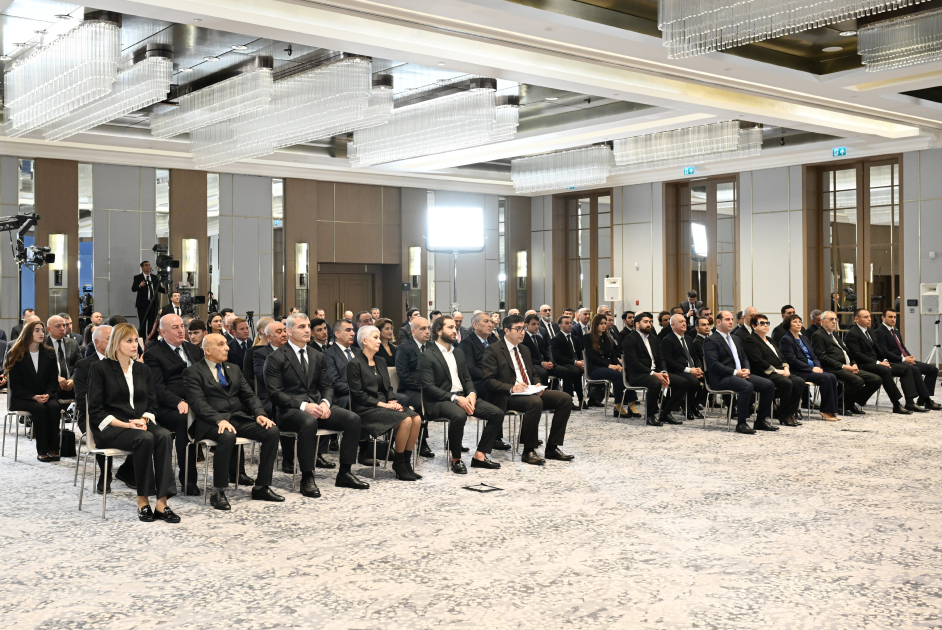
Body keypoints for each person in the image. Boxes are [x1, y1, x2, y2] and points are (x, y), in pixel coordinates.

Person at [264, 312, 369, 497]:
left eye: (307, 326)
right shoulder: (276, 357)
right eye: (301, 327)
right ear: (289, 331)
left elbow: (327, 386)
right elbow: (275, 394)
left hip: (318, 406)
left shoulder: (317, 355)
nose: (307, 330)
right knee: (308, 422)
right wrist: (304, 406)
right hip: (290, 411)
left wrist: (325, 402)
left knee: (352, 419)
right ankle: (307, 477)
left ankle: (345, 473)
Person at [86, 323, 179, 522]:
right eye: (128, 341)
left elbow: (152, 403)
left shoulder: (142, 369)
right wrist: (127, 424)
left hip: (139, 424)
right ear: (116, 343)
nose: (135, 345)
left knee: (164, 435)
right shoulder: (100, 368)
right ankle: (142, 500)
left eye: (136, 340)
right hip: (112, 427)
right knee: (145, 438)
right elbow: (95, 409)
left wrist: (143, 419)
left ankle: (162, 503)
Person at [184, 334, 284, 510]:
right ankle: (218, 492)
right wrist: (218, 420)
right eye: (221, 344)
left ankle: (261, 486)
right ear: (207, 350)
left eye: (226, 344)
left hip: (237, 418)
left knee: (271, 431)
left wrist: (259, 414)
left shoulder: (234, 368)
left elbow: (249, 396)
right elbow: (198, 403)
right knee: (227, 435)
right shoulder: (192, 372)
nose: (227, 347)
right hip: (209, 422)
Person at [418, 316, 507, 473]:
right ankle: (456, 459)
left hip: (462, 396)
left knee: (497, 413)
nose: (455, 330)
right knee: (459, 415)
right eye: (450, 327)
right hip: (439, 400)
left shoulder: (458, 353)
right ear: (439, 331)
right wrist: (455, 398)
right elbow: (429, 387)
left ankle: (479, 456)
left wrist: (472, 393)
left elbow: (467, 378)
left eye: (455, 327)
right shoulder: (428, 355)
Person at [483, 314, 573, 465]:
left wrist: (537, 384)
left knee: (565, 399)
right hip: (508, 395)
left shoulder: (524, 349)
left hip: (529, 391)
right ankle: (528, 450)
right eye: (518, 329)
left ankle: (552, 447)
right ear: (506, 330)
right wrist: (512, 388)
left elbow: (533, 373)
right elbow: (488, 381)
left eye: (523, 329)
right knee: (535, 402)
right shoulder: (493, 350)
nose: (522, 332)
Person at [348, 325, 423, 480]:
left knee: (416, 418)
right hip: (366, 409)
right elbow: (358, 395)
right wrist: (383, 404)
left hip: (384, 405)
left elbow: (388, 388)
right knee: (406, 420)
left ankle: (406, 462)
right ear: (364, 341)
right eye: (375, 338)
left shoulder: (380, 361)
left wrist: (392, 401)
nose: (379, 341)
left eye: (378, 338)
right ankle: (399, 463)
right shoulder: (354, 364)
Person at [142, 314, 206, 496]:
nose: (181, 330)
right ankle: (188, 479)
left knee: (225, 412)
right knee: (185, 420)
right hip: (168, 407)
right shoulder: (154, 354)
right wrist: (178, 401)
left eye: (181, 326)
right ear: (163, 332)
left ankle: (232, 473)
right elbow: (157, 388)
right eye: (175, 327)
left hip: (196, 402)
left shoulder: (194, 350)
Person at [74, 325, 137, 493]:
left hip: (124, 414)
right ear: (97, 342)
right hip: (93, 415)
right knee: (102, 426)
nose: (114, 342)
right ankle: (105, 473)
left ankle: (127, 469)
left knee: (147, 428)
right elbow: (82, 400)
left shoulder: (128, 364)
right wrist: (107, 417)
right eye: (110, 339)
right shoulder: (84, 365)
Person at [702, 311, 778, 435]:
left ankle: (761, 420)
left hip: (740, 374)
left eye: (732, 319)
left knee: (768, 385)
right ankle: (741, 423)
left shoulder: (735, 338)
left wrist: (746, 369)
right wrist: (735, 372)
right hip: (721, 378)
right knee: (746, 386)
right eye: (727, 319)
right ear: (718, 322)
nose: (731, 322)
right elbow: (714, 364)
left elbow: (744, 358)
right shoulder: (711, 340)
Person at [845, 309, 927, 413]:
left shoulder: (870, 331)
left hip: (877, 362)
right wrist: (878, 363)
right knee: (885, 370)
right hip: (863, 364)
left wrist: (884, 360)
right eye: (866, 317)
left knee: (906, 369)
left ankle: (910, 402)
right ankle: (896, 404)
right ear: (857, 319)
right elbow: (857, 355)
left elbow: (878, 350)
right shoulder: (852, 334)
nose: (869, 319)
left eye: (869, 316)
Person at [4, 320, 62, 461]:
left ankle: (53, 449)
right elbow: (15, 387)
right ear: (28, 333)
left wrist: (48, 394)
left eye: (42, 330)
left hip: (45, 395)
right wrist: (33, 396)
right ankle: (42, 451)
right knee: (39, 409)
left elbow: (53, 381)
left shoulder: (49, 353)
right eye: (37, 330)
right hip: (23, 397)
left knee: (54, 406)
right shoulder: (16, 354)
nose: (41, 333)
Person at [811, 311, 886, 415]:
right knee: (858, 381)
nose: (834, 322)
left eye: (836, 319)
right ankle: (840, 404)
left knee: (876, 379)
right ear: (822, 321)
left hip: (847, 366)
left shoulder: (834, 333)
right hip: (832, 368)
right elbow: (822, 357)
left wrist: (853, 363)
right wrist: (844, 366)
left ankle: (849, 403)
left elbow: (846, 351)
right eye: (831, 319)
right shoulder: (818, 335)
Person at [623, 312, 688, 426]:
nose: (649, 324)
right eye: (646, 322)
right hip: (638, 374)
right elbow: (634, 363)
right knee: (655, 383)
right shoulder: (629, 339)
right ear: (637, 324)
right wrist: (653, 373)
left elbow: (661, 358)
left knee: (683, 382)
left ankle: (666, 413)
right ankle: (650, 415)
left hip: (655, 372)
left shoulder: (653, 338)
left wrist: (663, 372)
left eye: (651, 322)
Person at [742, 314, 805, 426]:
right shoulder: (750, 340)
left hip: (780, 371)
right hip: (764, 373)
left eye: (767, 323)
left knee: (799, 381)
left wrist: (786, 367)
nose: (766, 325)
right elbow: (758, 361)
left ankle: (791, 412)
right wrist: (776, 371)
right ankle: (784, 414)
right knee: (786, 383)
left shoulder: (770, 340)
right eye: (762, 323)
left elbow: (781, 357)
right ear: (754, 326)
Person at [779, 313, 840, 421]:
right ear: (788, 324)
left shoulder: (804, 338)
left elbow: (813, 356)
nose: (798, 324)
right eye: (795, 322)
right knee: (826, 378)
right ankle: (825, 410)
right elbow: (792, 360)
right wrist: (811, 369)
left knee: (832, 376)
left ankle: (832, 410)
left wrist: (818, 366)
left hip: (812, 369)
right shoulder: (786, 339)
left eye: (800, 321)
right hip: (798, 371)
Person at [874, 310, 941, 410]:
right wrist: (904, 359)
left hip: (903, 359)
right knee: (914, 370)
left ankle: (922, 400)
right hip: (892, 361)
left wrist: (909, 357)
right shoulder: (879, 332)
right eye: (890, 317)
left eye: (894, 317)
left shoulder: (895, 331)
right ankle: (926, 400)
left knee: (933, 370)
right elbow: (884, 353)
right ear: (883, 318)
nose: (893, 319)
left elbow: (902, 348)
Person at [395, 316, 438, 458]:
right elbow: (403, 375)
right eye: (423, 329)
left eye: (428, 328)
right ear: (413, 331)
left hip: (431, 388)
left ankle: (454, 442)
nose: (427, 331)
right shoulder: (404, 348)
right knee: (422, 402)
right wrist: (424, 387)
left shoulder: (432, 347)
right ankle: (422, 442)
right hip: (410, 389)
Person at [584, 313, 631, 417]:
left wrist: (618, 365)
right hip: (594, 369)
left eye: (605, 323)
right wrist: (609, 365)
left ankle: (631, 404)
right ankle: (618, 406)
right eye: (601, 323)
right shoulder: (588, 337)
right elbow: (592, 357)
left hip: (606, 367)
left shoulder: (607, 338)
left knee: (626, 372)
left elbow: (613, 355)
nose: (604, 326)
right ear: (595, 324)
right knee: (618, 376)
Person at [659, 314, 705, 421]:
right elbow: (669, 362)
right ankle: (687, 407)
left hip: (692, 370)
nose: (684, 323)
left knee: (710, 379)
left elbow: (695, 356)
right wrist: (690, 370)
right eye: (681, 322)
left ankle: (693, 404)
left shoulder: (688, 338)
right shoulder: (667, 340)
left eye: (684, 321)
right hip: (677, 371)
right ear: (673, 325)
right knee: (694, 382)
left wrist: (699, 368)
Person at [550, 314, 586, 409]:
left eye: (570, 323)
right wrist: (575, 362)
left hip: (576, 362)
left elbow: (580, 353)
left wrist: (582, 362)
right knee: (575, 372)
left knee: (586, 368)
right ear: (560, 326)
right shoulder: (556, 339)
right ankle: (573, 399)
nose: (570, 325)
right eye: (566, 323)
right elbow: (558, 358)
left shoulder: (575, 338)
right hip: (564, 363)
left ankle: (589, 398)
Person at [324, 319, 359, 410]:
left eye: (353, 330)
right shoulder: (328, 354)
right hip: (343, 396)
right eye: (348, 330)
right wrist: (358, 390)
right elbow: (334, 382)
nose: (353, 333)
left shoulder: (359, 352)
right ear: (337, 334)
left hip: (363, 393)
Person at [132, 261, 163, 338]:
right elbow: (133, 288)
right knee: (142, 323)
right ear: (142, 267)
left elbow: (159, 288)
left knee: (152, 324)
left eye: (149, 265)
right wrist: (140, 285)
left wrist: (167, 290)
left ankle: (150, 339)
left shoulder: (155, 277)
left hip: (153, 304)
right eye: (146, 265)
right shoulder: (138, 277)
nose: (148, 266)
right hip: (142, 304)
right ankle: (142, 340)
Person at [243, 316, 273, 394]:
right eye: (271, 327)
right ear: (263, 331)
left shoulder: (276, 349)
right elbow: (247, 376)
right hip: (261, 392)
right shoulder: (251, 351)